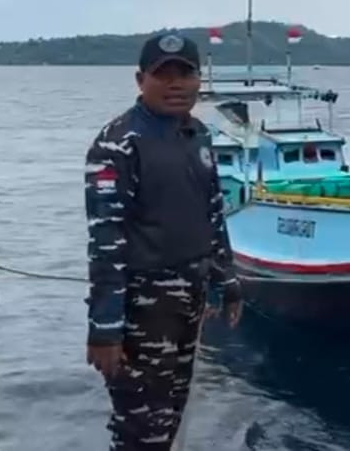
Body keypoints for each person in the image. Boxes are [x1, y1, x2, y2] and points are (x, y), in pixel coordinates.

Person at [83, 32, 243, 450]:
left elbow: (213, 213)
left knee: (169, 417)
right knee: (140, 430)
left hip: (189, 301)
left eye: (185, 74)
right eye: (163, 74)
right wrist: (105, 329)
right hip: (143, 310)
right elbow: (106, 240)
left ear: (199, 80)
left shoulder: (198, 135)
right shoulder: (117, 143)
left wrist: (227, 282)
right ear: (140, 80)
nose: (175, 83)